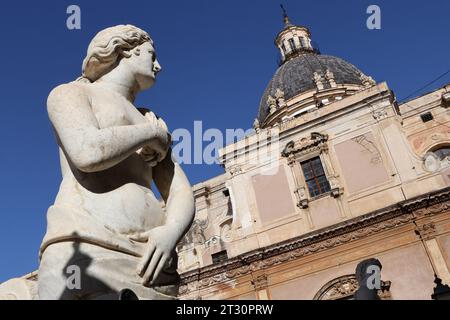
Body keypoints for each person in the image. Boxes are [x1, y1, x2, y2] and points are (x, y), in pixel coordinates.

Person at [38, 25, 195, 300]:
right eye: (151, 55)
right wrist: (150, 134)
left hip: (151, 261)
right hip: (87, 246)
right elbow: (87, 152)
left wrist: (170, 233)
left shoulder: (149, 118)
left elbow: (180, 190)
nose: (159, 65)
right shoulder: (70, 94)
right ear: (126, 50)